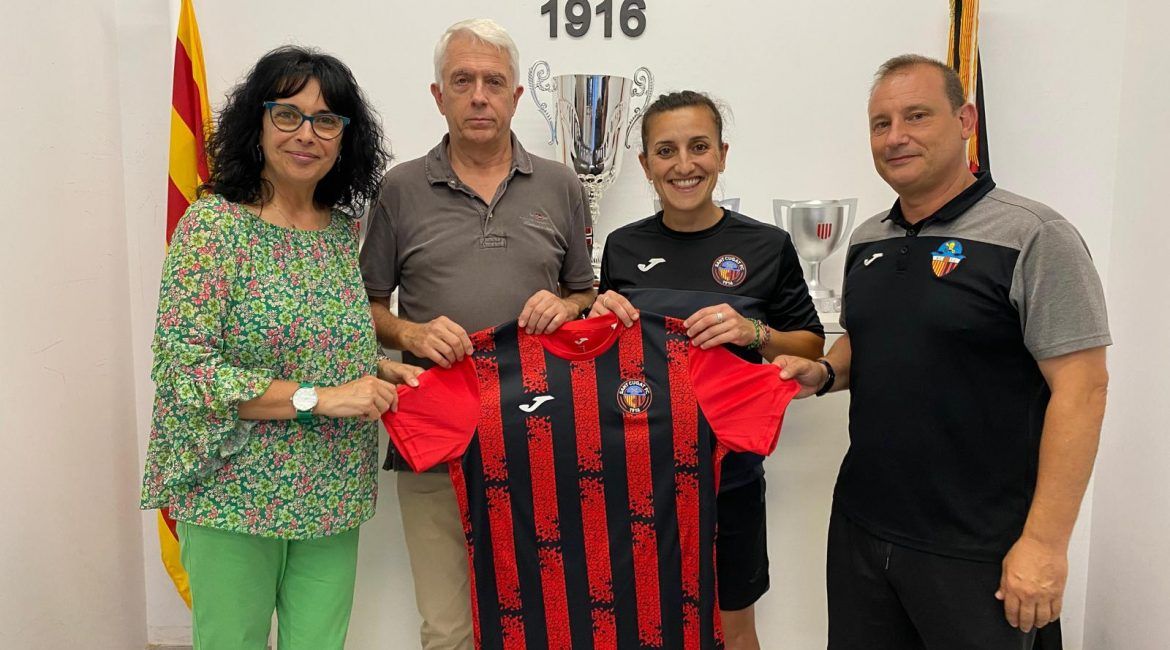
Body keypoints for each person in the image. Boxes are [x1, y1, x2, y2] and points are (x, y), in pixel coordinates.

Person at [773, 54, 1111, 649]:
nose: (895, 137)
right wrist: (825, 372)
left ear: (965, 120)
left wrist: (1045, 544)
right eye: (881, 123)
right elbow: (872, 339)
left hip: (982, 551)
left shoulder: (1034, 235)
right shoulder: (867, 238)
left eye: (917, 116)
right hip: (862, 532)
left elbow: (1083, 389)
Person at [140, 46, 421, 650]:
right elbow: (184, 369)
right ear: (258, 122)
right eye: (288, 113)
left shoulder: (342, 233)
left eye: (327, 120)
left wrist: (383, 373)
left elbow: (329, 342)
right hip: (232, 489)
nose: (307, 134)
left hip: (332, 490)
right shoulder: (214, 226)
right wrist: (321, 398)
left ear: (346, 138)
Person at [359, 18, 595, 649]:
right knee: (448, 625)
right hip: (436, 430)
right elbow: (364, 309)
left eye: (494, 81)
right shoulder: (401, 188)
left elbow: (587, 295)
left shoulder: (561, 184)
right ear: (438, 95)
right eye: (462, 80)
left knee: (546, 612)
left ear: (517, 96)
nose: (479, 95)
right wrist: (409, 334)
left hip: (541, 430)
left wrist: (568, 307)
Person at [589, 90, 825, 649]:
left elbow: (812, 347)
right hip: (637, 472)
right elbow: (604, 356)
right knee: (640, 616)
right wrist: (598, 317)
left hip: (730, 472)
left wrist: (755, 333)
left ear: (721, 154)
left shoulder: (767, 245)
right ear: (646, 166)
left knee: (732, 623)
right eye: (666, 151)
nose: (684, 164)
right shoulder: (622, 247)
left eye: (698, 147)